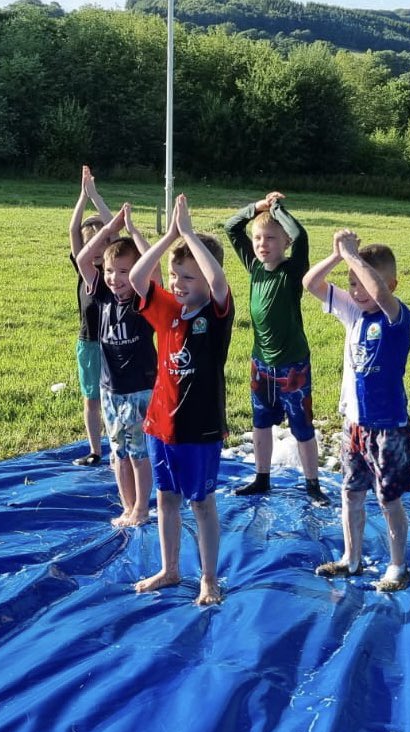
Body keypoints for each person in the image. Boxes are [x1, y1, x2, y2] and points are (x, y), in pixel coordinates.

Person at [129, 195, 234, 606]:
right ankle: (170, 569)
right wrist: (171, 236)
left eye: (189, 277)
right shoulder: (168, 310)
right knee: (166, 498)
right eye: (176, 275)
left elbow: (220, 285)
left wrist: (191, 234)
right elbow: (139, 278)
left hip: (200, 428)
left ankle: (208, 577)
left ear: (207, 279)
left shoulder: (217, 314)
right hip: (161, 425)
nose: (178, 284)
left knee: (202, 503)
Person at [303, 230, 410, 593]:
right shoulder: (354, 313)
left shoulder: (397, 318)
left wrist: (354, 258)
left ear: (392, 283)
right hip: (354, 423)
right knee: (351, 492)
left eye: (364, 281)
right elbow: (310, 282)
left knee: (388, 498)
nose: (357, 290)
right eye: (351, 284)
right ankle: (351, 558)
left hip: (388, 427)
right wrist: (339, 256)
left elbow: (380, 295)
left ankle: (398, 565)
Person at [225, 192, 329, 506]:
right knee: (261, 423)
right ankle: (262, 477)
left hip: (292, 366)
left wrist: (277, 208)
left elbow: (301, 235)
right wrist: (256, 208)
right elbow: (231, 228)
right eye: (257, 238)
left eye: (271, 238)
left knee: (302, 426)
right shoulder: (254, 266)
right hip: (261, 364)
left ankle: (312, 484)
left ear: (283, 242)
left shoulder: (292, 270)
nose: (262, 243)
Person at [75, 204, 159, 528]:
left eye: (124, 271)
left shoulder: (142, 297)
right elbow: (84, 259)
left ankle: (141, 508)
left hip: (139, 389)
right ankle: (127, 507)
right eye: (111, 271)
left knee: (139, 454)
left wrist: (134, 231)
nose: (115, 278)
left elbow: (153, 268)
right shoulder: (102, 296)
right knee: (118, 453)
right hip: (110, 390)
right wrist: (110, 228)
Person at [67, 165, 112, 467]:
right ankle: (96, 450)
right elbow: (73, 230)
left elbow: (114, 226)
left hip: (116, 344)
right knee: (92, 399)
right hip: (89, 344)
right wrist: (83, 198)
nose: (95, 251)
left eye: (102, 244)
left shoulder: (114, 276)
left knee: (114, 399)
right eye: (90, 245)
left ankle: (118, 447)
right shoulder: (85, 274)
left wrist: (96, 196)